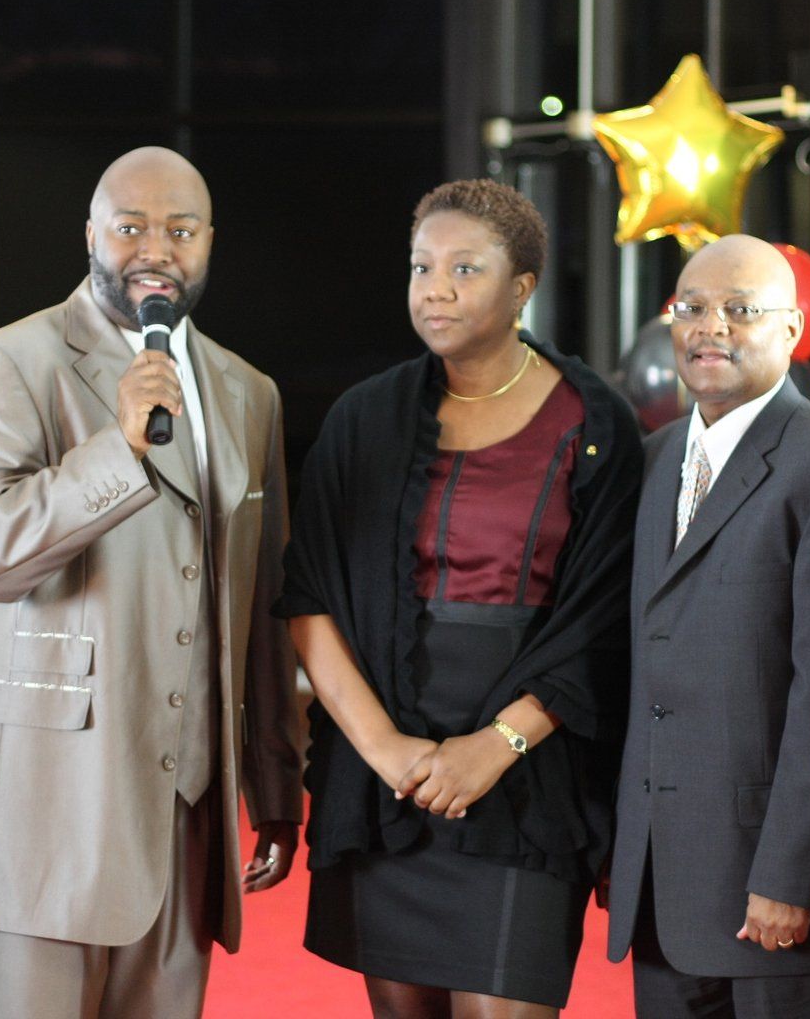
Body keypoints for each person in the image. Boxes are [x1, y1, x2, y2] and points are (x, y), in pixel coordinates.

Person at [0, 146, 303, 1019]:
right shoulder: (5, 366)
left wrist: (275, 783)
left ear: (209, 242)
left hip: (187, 818)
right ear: (90, 234)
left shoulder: (250, 393)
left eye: (179, 229)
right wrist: (116, 450)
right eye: (130, 226)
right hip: (41, 814)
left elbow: (259, 603)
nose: (154, 249)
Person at [276, 178, 643, 1018]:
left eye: (465, 269)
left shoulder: (594, 422)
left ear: (523, 288)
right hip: (387, 780)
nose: (434, 288)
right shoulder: (363, 418)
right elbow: (310, 597)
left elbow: (606, 616)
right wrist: (385, 751)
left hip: (529, 773)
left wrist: (499, 744)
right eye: (421, 267)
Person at [606, 233, 810, 1019]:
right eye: (691, 308)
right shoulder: (655, 460)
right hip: (663, 880)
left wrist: (791, 875)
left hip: (769, 889)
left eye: (740, 310)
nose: (709, 327)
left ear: (792, 331)